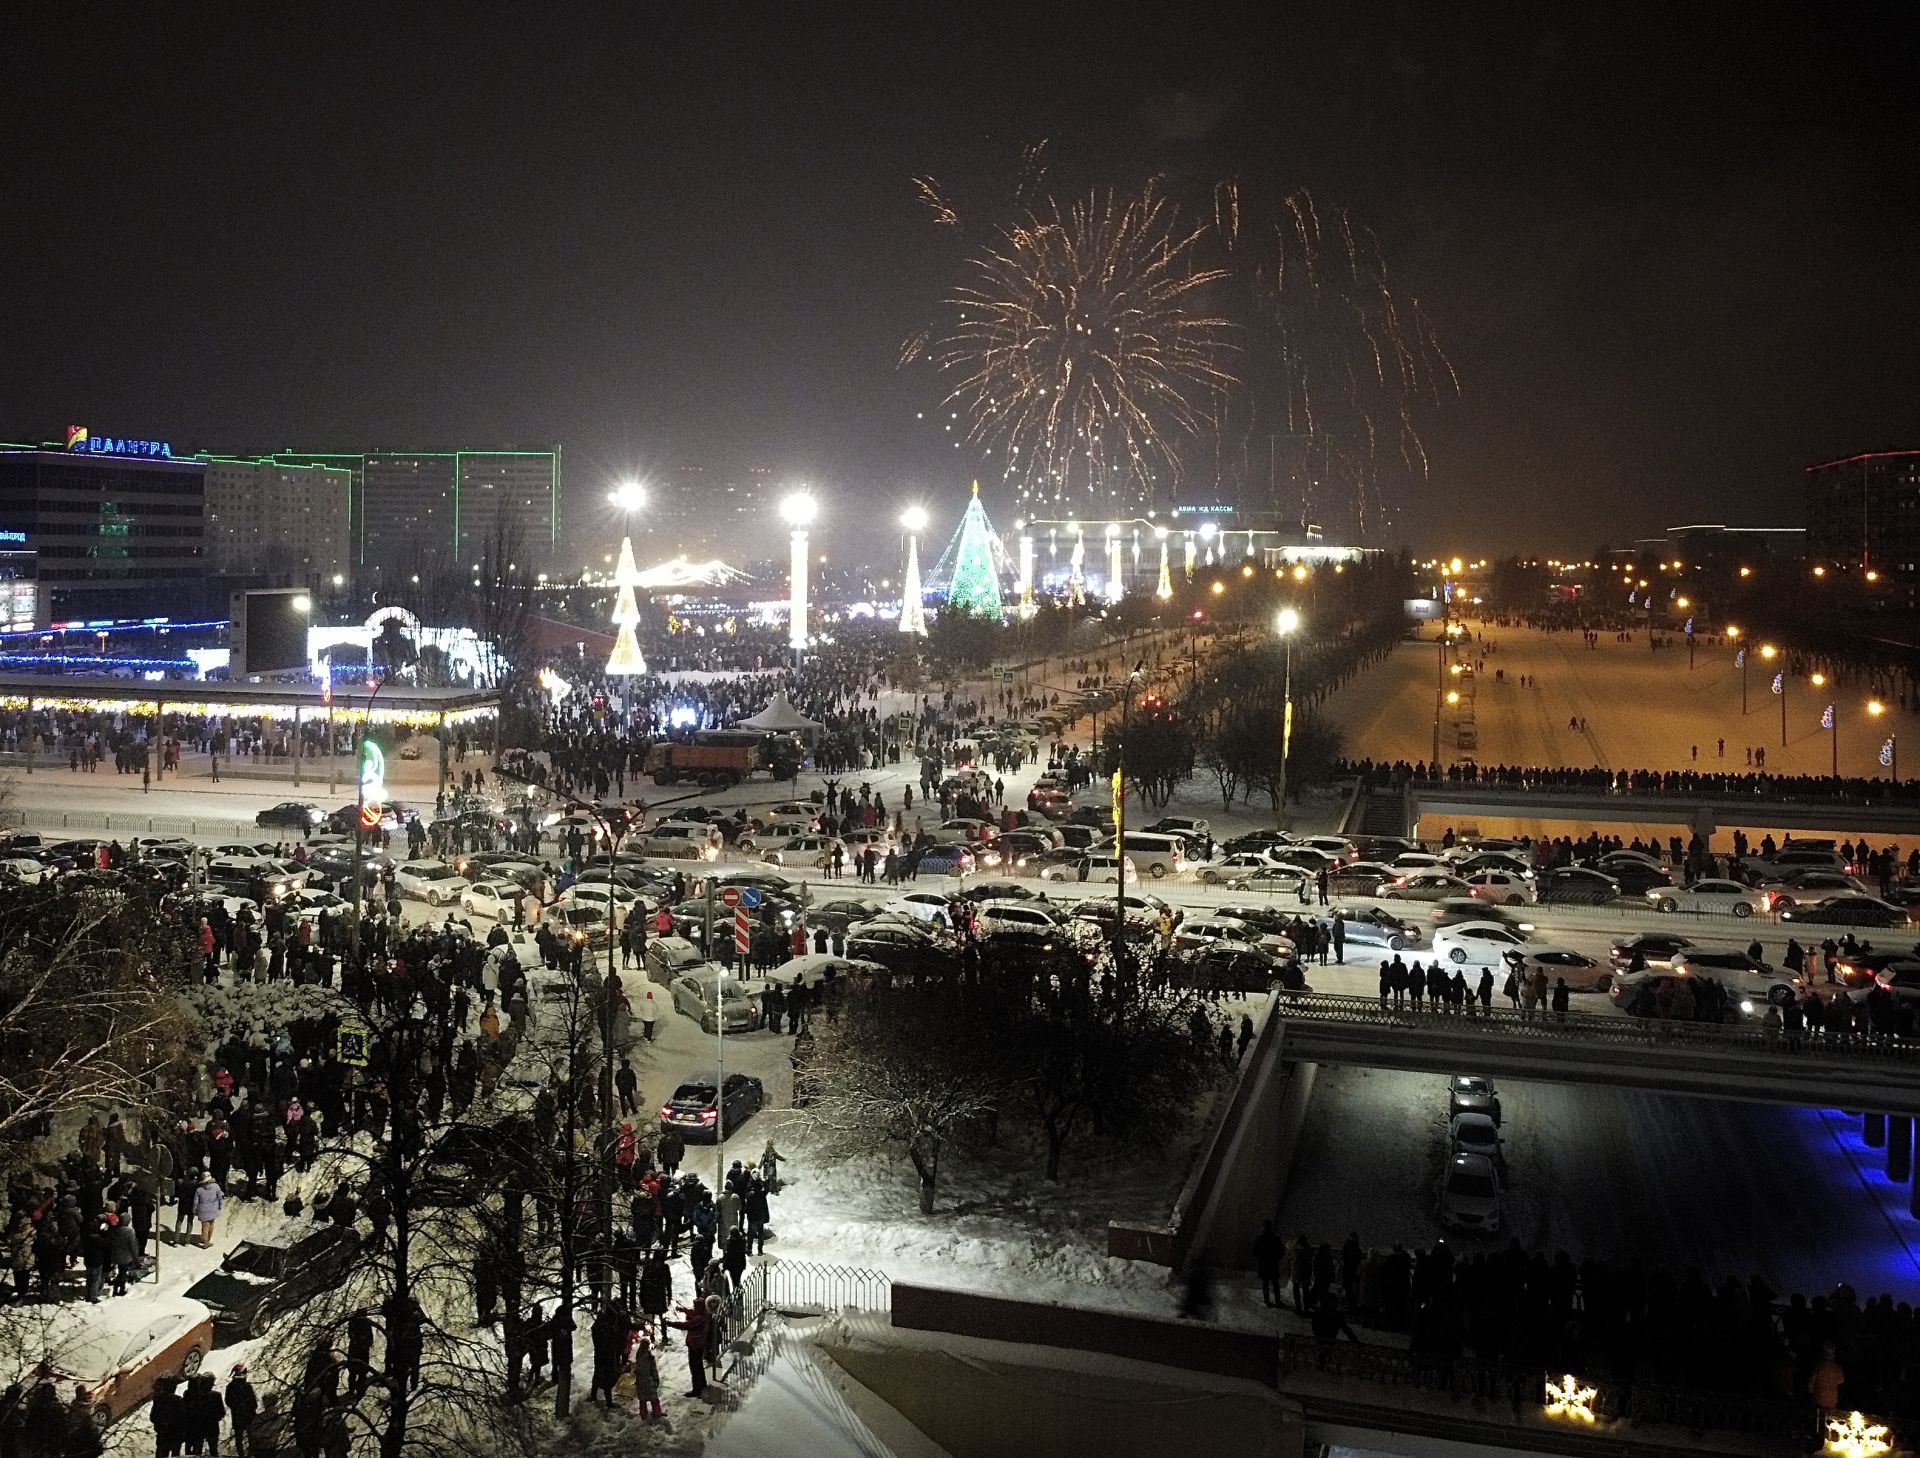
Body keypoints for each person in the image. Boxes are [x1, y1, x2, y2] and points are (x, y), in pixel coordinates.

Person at [665, 1295, 718, 1398]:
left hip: (695, 1345)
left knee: (695, 1368)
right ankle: (702, 1384)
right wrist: (683, 1310)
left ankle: (696, 1389)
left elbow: (686, 1325)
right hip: (699, 1344)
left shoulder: (700, 1318)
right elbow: (693, 1313)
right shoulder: (704, 1313)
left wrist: (669, 1323)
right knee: (698, 1366)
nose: (694, 1308)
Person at [1251, 1219, 1283, 1308]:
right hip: (1273, 1265)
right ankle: (1277, 1300)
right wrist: (1275, 1259)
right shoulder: (1276, 1238)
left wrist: (1260, 1259)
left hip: (1263, 1265)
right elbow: (1281, 1252)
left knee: (1265, 1284)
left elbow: (1254, 1252)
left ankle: (1267, 1300)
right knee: (1275, 1284)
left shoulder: (1259, 1238)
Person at [193, 1172, 224, 1248]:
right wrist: (220, 1206)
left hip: (203, 1210)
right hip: (213, 1208)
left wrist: (194, 1210)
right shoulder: (216, 1186)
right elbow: (220, 1197)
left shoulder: (199, 1190)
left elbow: (195, 1202)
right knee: (211, 1224)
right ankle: (207, 1240)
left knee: (205, 1226)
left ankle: (205, 1240)